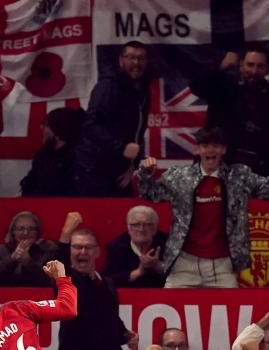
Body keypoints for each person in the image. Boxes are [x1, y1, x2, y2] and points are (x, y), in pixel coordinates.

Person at [136, 127, 269, 288]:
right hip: (184, 264)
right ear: (197, 150)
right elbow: (151, 194)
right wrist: (145, 173)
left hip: (222, 266)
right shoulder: (179, 177)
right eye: (205, 146)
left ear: (223, 150)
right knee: (172, 309)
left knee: (230, 311)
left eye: (216, 146)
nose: (210, 151)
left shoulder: (239, 176)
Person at [54, 213, 137, 350]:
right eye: (77, 247)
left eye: (88, 247)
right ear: (69, 252)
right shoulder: (68, 282)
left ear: (97, 252)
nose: (82, 251)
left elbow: (110, 318)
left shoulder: (107, 283)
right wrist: (65, 234)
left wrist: (125, 335)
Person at [190, 45, 269, 176]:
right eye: (250, 65)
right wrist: (220, 66)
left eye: (260, 66)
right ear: (241, 65)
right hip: (219, 166)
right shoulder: (224, 87)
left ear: (267, 69)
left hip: (257, 173)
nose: (254, 71)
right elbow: (195, 85)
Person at [74, 41, 151, 197]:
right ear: (121, 60)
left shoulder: (143, 90)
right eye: (131, 57)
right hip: (95, 169)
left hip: (119, 170)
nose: (136, 63)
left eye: (141, 58)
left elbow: (137, 131)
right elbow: (91, 125)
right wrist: (121, 147)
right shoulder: (108, 86)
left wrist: (132, 165)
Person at [0, 211, 59, 288]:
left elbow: (50, 282)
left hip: (36, 295)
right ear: (13, 232)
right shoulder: (1, 250)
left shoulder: (46, 251)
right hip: (4, 294)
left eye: (31, 229)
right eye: (21, 229)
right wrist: (12, 259)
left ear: (37, 232)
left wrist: (28, 262)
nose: (26, 233)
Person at [20, 106, 84, 197]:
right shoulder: (42, 156)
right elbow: (30, 183)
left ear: (58, 132)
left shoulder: (78, 160)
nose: (41, 127)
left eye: (46, 125)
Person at [103, 205, 169, 288]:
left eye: (147, 224)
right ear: (128, 228)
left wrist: (157, 266)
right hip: (128, 293)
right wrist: (139, 271)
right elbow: (108, 280)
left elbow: (180, 275)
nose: (141, 229)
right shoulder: (117, 247)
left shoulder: (169, 244)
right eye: (136, 225)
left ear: (155, 228)